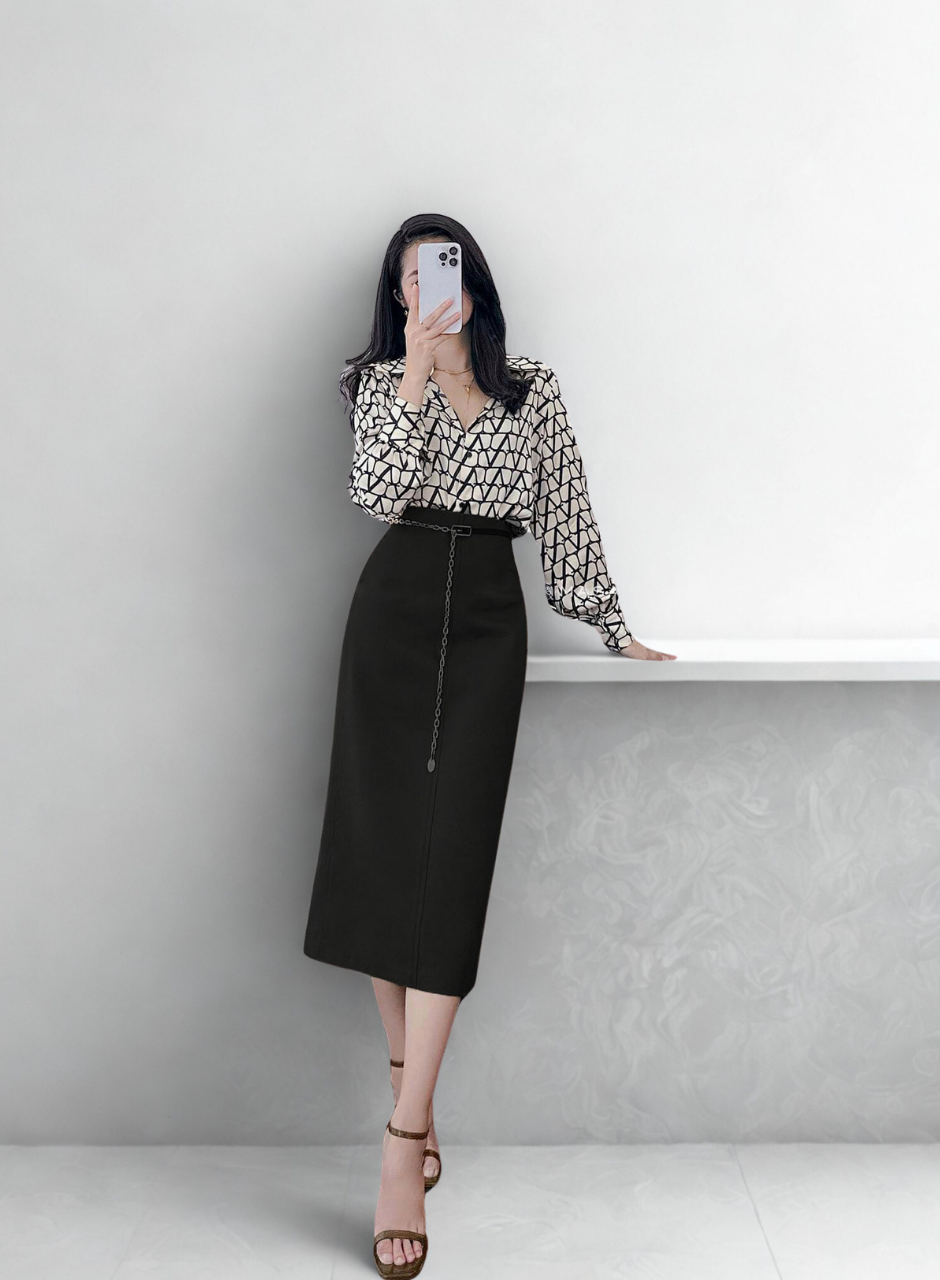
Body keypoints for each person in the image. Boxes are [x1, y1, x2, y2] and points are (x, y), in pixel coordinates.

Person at [303, 213, 676, 1277]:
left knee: (450, 866)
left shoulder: (531, 389)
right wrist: (416, 373)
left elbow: (566, 512)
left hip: (485, 623)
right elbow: (375, 494)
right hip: (393, 611)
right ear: (399, 295)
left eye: (444, 268)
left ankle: (402, 1134)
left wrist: (612, 624)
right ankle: (410, 1105)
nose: (430, 288)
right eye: (411, 279)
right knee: (386, 860)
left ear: (472, 280)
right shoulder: (381, 385)